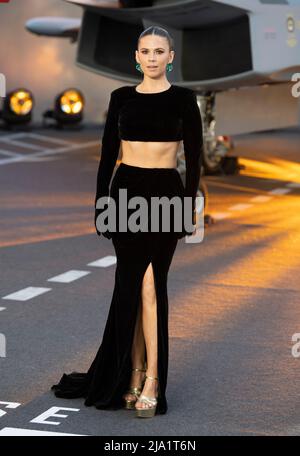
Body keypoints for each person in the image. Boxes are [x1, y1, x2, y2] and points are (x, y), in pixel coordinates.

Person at [51, 26, 203, 419]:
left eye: (159, 51)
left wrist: (187, 209)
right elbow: (106, 157)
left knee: (152, 286)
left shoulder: (185, 100)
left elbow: (195, 160)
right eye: (145, 51)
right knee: (132, 286)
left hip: (166, 195)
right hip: (125, 194)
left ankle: (152, 379)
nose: (152, 58)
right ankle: (133, 374)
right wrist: (102, 205)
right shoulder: (120, 98)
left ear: (171, 57)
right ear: (136, 57)